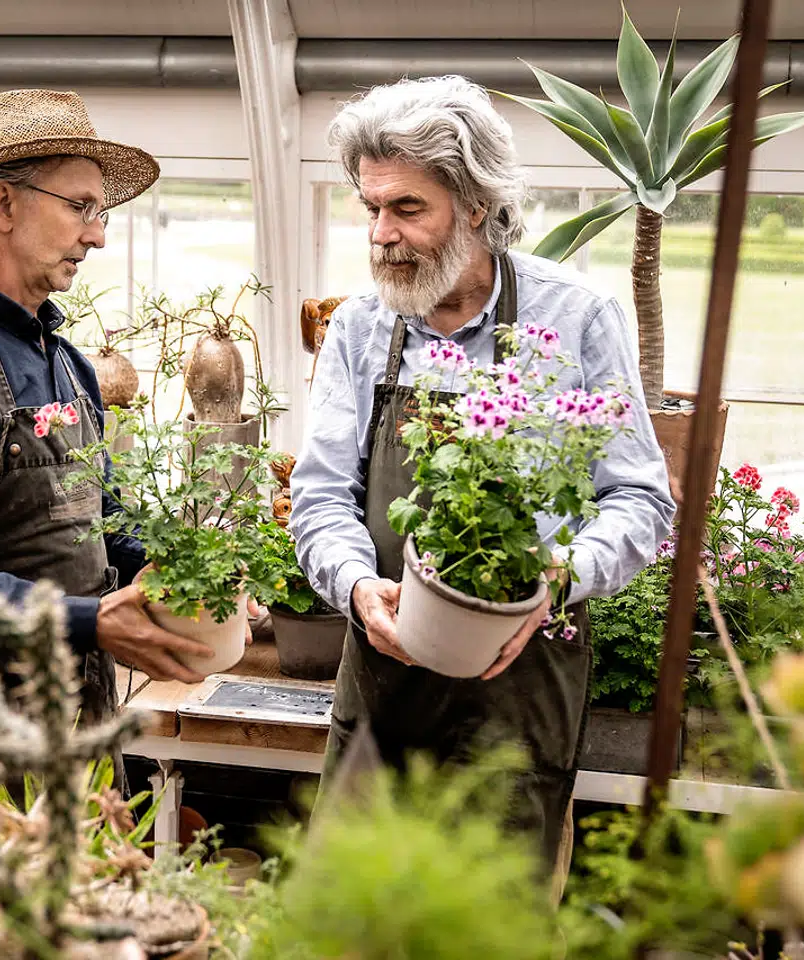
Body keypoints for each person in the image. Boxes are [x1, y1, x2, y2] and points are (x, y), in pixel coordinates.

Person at [288, 76, 676, 864]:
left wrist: (554, 582)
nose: (380, 236)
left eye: (407, 209)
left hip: (523, 682)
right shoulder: (360, 330)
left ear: (474, 206)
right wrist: (361, 590)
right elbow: (321, 498)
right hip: (384, 673)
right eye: (371, 209)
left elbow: (639, 500)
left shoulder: (575, 317)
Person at [0, 89, 219, 753]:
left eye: (101, 212)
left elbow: (104, 519)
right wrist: (88, 621)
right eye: (81, 206)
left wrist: (185, 576)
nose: (98, 235)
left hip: (79, 712)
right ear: (3, 203)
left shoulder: (70, 364)